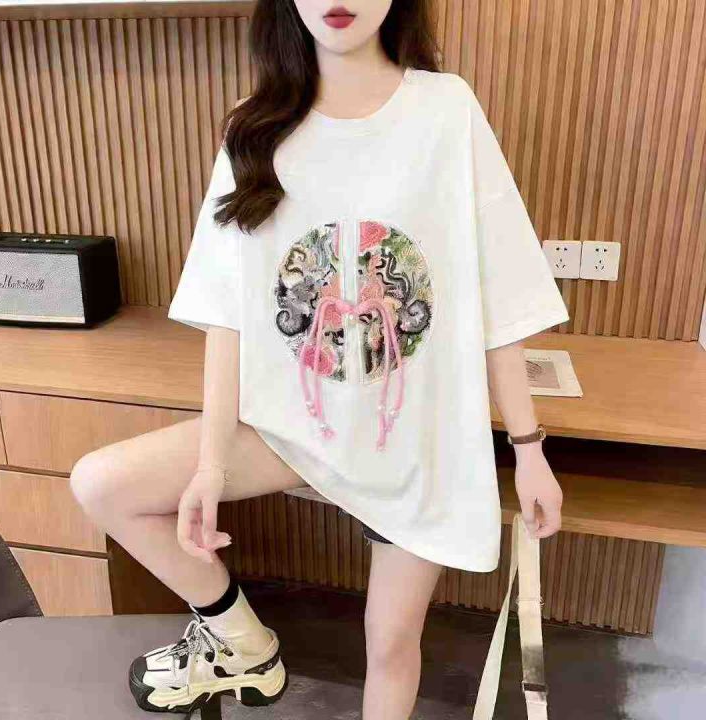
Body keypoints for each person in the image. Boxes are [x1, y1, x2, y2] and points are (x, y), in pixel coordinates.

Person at [70, 1, 568, 717]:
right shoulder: (255, 127)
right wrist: (210, 464)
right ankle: (240, 641)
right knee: (101, 484)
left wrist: (529, 447)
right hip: (293, 430)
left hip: (413, 441)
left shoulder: (445, 111)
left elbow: (501, 290)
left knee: (390, 645)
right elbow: (226, 315)